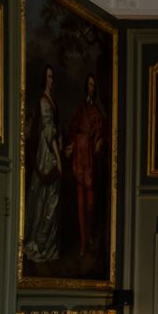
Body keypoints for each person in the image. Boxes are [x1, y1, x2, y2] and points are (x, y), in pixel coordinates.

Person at [24, 64, 63, 263]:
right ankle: (38, 243)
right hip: (46, 154)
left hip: (51, 150)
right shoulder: (43, 102)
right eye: (48, 77)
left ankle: (48, 245)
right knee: (44, 199)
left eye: (53, 77)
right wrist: (58, 158)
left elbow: (55, 130)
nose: (51, 80)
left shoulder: (52, 102)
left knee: (51, 201)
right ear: (44, 79)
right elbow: (49, 132)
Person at [66, 73, 107, 257]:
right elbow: (73, 129)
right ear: (86, 87)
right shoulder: (80, 107)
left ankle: (89, 235)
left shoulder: (96, 111)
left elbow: (101, 132)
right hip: (79, 156)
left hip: (90, 157)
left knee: (91, 204)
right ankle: (83, 241)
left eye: (94, 84)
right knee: (81, 202)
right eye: (89, 84)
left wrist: (99, 141)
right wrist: (72, 145)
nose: (92, 87)